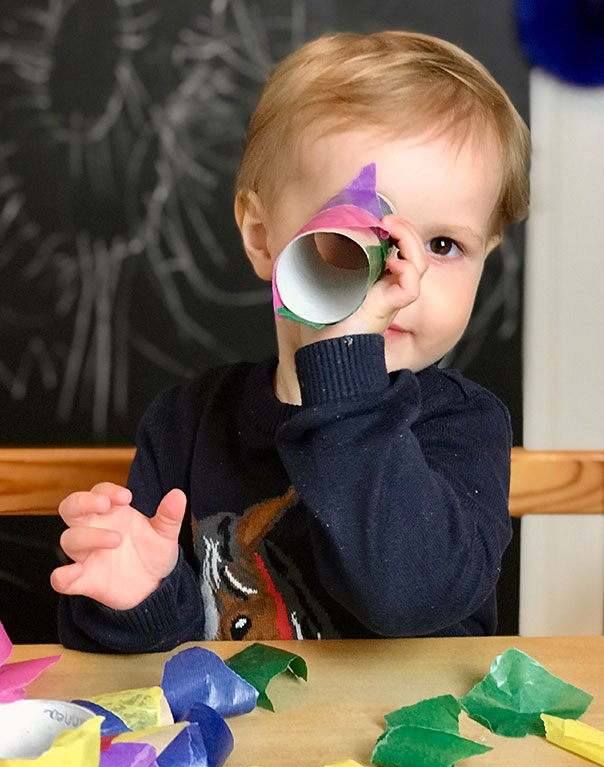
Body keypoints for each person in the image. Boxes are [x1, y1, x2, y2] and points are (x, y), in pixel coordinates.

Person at [51, 30, 530, 652]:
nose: (399, 278)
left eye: (443, 246)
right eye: (349, 240)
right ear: (262, 238)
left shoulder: (463, 425)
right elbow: (163, 663)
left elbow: (408, 599)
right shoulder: (185, 423)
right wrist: (141, 594)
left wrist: (346, 372)